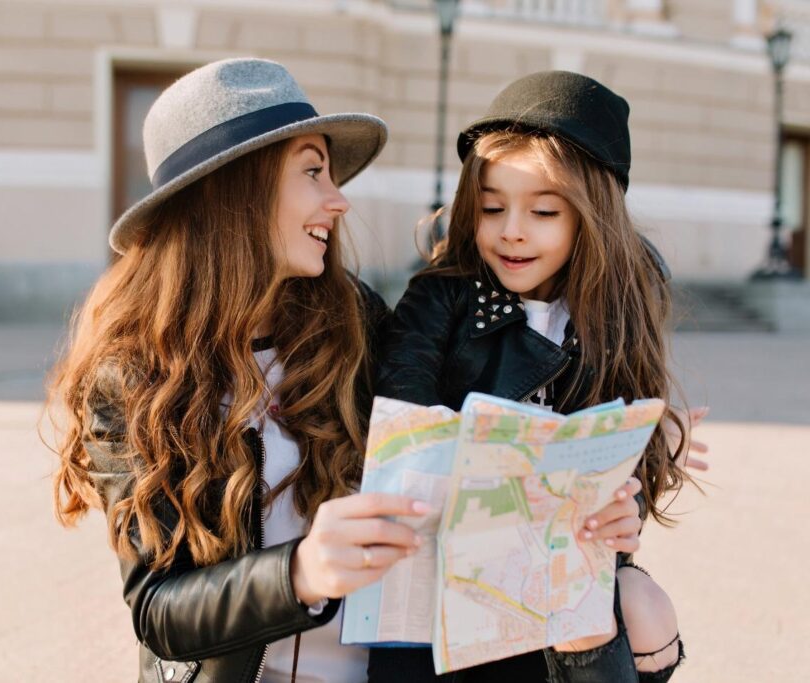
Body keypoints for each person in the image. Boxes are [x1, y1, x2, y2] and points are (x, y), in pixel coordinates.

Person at [46, 59, 646, 683]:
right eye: (313, 172)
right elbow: (158, 611)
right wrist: (300, 572)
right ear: (236, 191)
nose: (339, 199)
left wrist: (603, 461)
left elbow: (465, 437)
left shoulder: (353, 320)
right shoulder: (132, 373)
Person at [369, 71, 691, 682]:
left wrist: (629, 503)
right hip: (441, 555)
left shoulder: (613, 317)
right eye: (492, 208)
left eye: (543, 211)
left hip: (554, 561)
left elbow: (621, 459)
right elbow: (403, 414)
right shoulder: (440, 298)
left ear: (591, 216)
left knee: (645, 610)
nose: (512, 229)